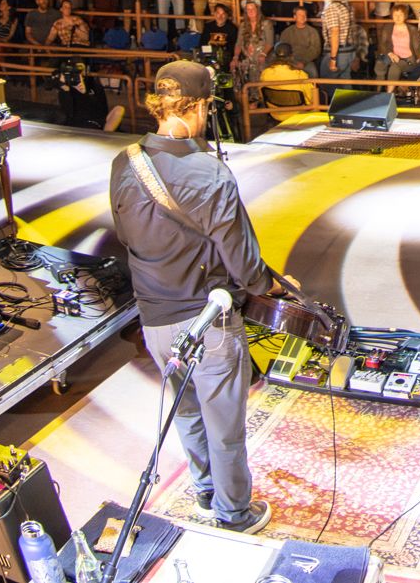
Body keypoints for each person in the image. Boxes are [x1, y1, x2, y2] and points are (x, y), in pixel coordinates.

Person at [107, 61, 283, 535]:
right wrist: (270, 287)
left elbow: (126, 234)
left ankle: (204, 493)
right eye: (207, 107)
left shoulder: (124, 161)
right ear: (198, 105)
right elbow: (246, 265)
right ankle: (234, 514)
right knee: (225, 424)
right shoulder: (210, 175)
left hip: (152, 317)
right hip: (205, 320)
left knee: (185, 409)